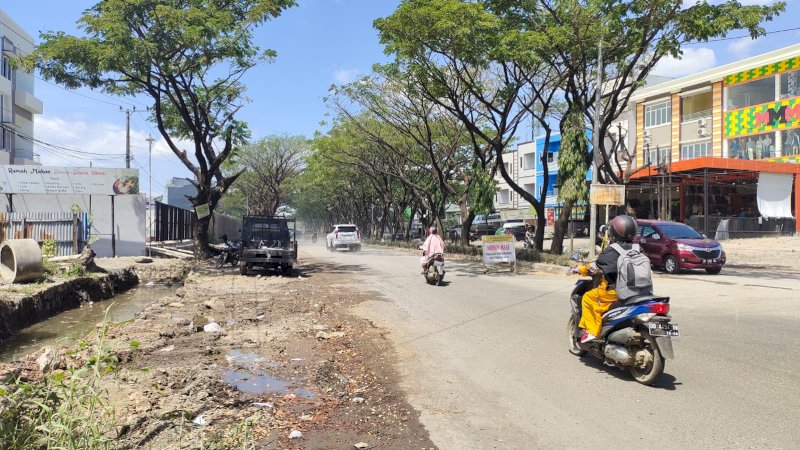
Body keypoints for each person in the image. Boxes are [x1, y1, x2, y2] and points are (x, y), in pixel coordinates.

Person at [570, 215, 638, 343]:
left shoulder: (612, 250)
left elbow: (596, 266)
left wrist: (579, 269)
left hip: (615, 292)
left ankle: (591, 332)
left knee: (587, 298)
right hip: (640, 292)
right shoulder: (639, 249)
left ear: (614, 232)